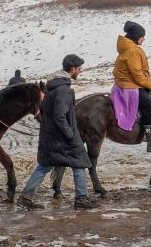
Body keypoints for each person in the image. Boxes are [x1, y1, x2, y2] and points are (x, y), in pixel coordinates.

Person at [18, 54, 97, 211]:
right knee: (79, 162)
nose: (80, 71)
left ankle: (25, 198)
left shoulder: (54, 87)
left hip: (51, 136)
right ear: (72, 69)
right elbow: (59, 116)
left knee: (45, 165)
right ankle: (81, 198)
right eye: (79, 68)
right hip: (62, 137)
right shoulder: (63, 90)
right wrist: (70, 135)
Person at [113, 20, 151, 152]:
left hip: (123, 85)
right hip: (129, 88)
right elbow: (137, 74)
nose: (144, 39)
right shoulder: (132, 51)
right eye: (142, 36)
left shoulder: (127, 48)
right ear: (136, 37)